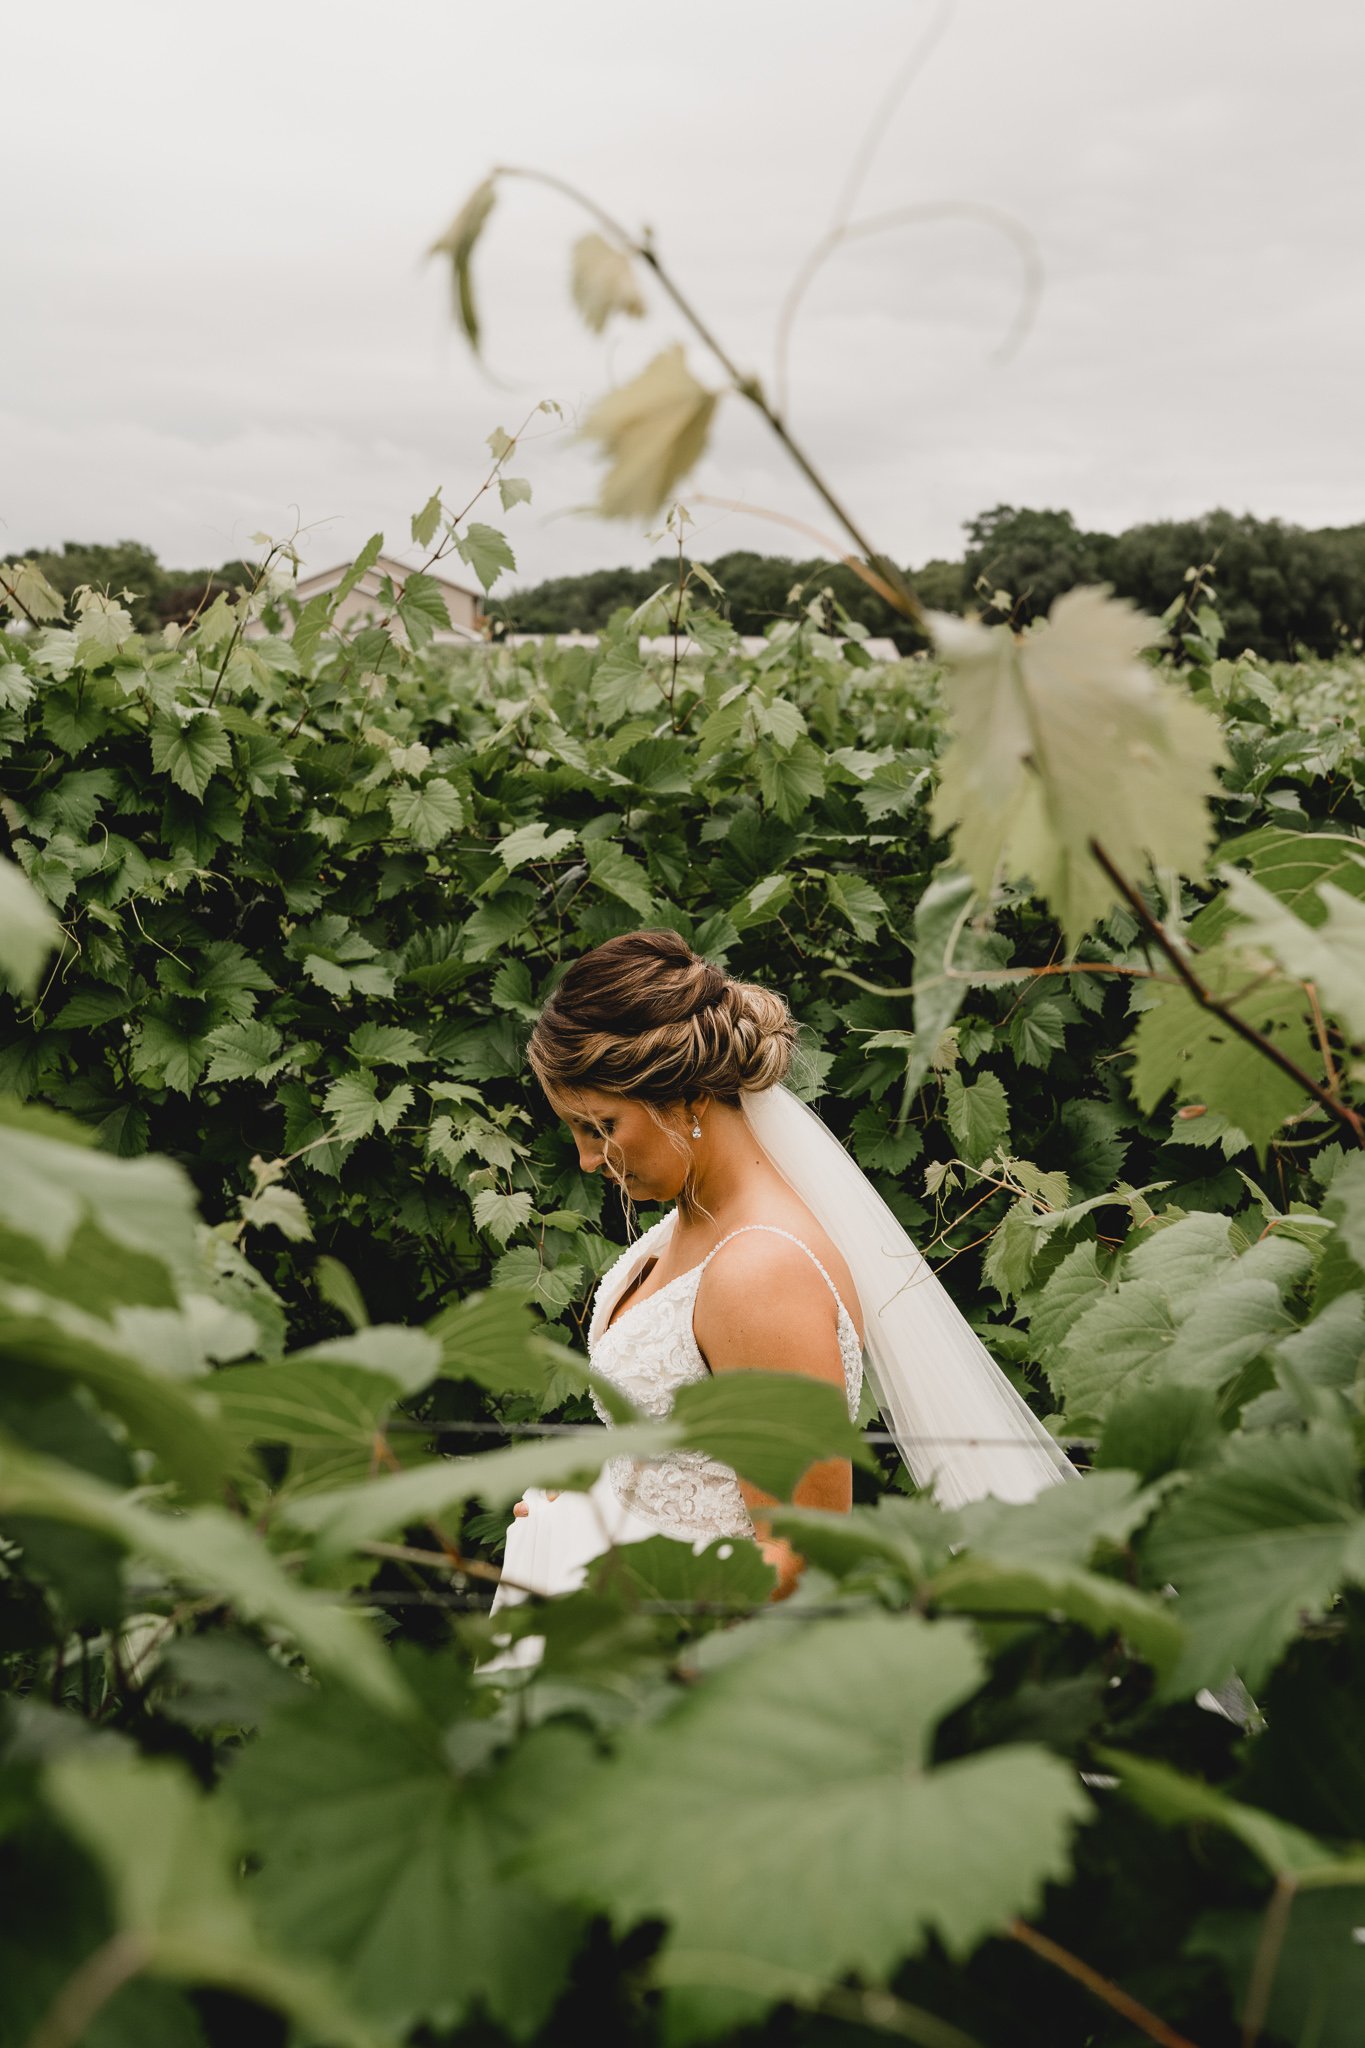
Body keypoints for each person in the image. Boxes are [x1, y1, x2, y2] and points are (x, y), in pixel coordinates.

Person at [491, 928, 1072, 1639]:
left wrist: (616, 1596)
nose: (587, 1160)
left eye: (600, 1126)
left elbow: (798, 1554)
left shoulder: (760, 1270)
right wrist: (586, 1515)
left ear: (686, 1098)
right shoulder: (690, 1223)